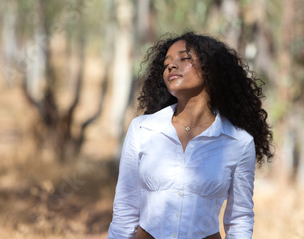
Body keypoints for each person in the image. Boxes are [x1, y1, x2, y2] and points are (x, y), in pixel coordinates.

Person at [107, 32, 273, 239]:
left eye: (184, 59)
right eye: (167, 63)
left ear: (210, 69)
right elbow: (125, 208)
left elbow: (240, 218)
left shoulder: (238, 142)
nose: (171, 66)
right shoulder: (142, 129)